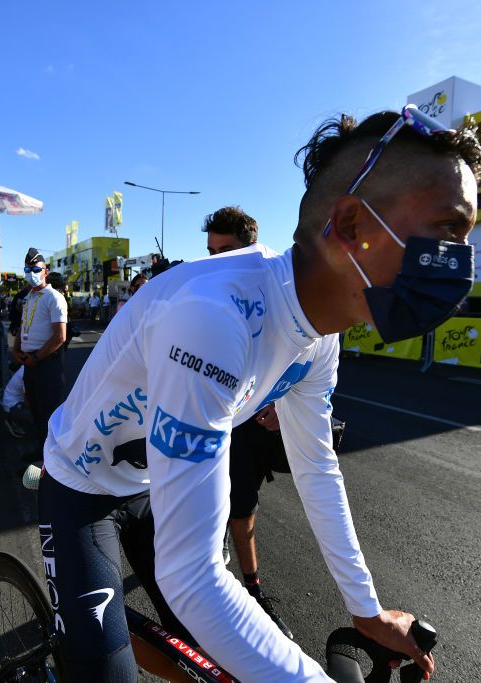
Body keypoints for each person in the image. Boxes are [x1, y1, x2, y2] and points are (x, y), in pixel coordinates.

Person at [37, 105, 481, 681]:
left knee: (220, 660)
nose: (461, 258)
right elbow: (190, 574)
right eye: (448, 229)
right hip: (82, 482)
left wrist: (366, 611)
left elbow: (316, 466)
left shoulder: (320, 339)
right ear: (350, 226)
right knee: (107, 672)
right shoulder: (213, 317)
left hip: (153, 480)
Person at [200, 204, 293, 638]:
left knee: (242, 506)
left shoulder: (280, 291)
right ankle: (211, 577)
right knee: (212, 507)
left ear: (251, 248)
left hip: (253, 428)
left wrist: (284, 403)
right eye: (211, 252)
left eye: (227, 250)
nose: (218, 261)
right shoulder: (206, 294)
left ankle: (251, 587)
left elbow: (304, 356)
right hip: (215, 422)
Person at [13, 248, 67, 460]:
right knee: (34, 409)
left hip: (46, 364)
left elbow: (60, 336)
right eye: (28, 269)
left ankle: (52, 461)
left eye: (36, 269)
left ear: (46, 271)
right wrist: (17, 350)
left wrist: (36, 358)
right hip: (30, 363)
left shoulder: (54, 297)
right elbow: (22, 326)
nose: (31, 272)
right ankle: (41, 453)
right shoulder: (29, 297)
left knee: (49, 413)